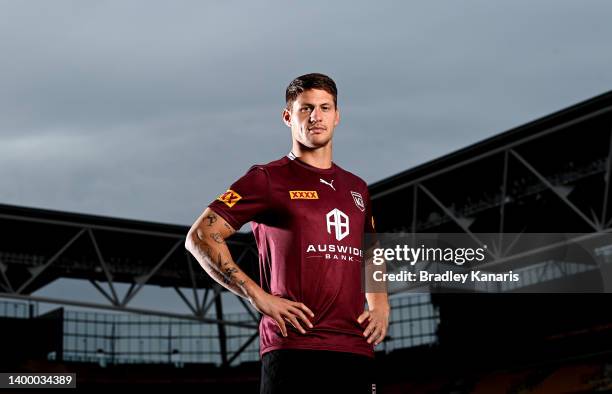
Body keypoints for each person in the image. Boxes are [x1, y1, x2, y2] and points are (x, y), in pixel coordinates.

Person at [185, 73, 389, 393]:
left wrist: (379, 304)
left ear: (337, 116)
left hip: (355, 348)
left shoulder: (357, 188)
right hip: (294, 347)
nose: (316, 116)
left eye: (324, 107)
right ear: (288, 116)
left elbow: (370, 250)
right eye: (306, 108)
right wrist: (258, 296)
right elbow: (201, 236)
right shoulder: (266, 178)